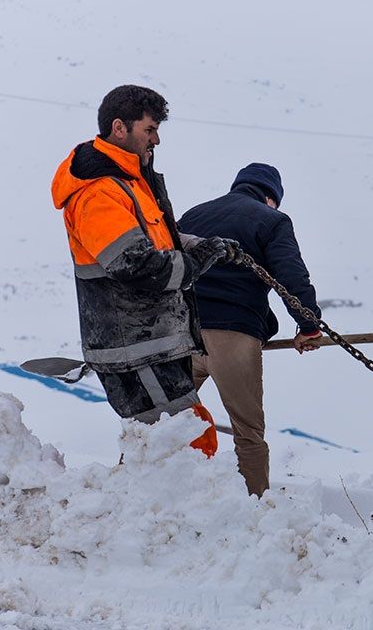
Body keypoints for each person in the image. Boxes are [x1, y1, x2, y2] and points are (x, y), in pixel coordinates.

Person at [50, 84, 238, 457]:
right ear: (120, 128)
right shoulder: (99, 192)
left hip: (154, 345)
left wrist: (197, 245)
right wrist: (196, 264)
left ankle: (170, 514)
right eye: (149, 130)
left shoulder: (131, 181)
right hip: (134, 349)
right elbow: (135, 265)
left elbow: (153, 242)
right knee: (185, 447)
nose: (157, 140)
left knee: (170, 448)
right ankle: (179, 516)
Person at [177, 163, 322, 496]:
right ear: (271, 198)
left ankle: (130, 493)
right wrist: (309, 326)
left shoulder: (193, 216)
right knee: (248, 433)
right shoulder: (272, 220)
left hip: (183, 333)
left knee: (162, 420)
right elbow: (291, 275)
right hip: (234, 334)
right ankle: (254, 512)